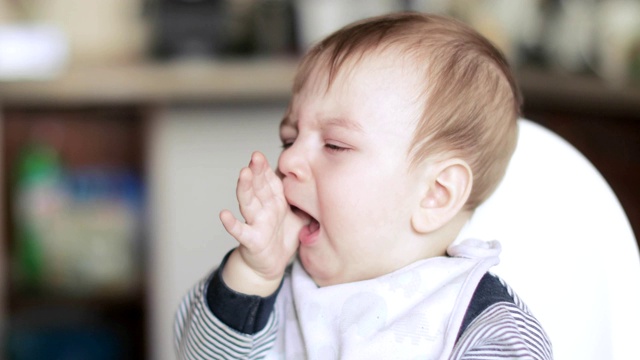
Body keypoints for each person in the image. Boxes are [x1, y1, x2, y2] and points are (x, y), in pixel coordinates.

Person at [175, 12, 552, 359]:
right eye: (289, 139)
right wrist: (254, 275)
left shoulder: (485, 329)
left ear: (435, 194)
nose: (287, 161)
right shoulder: (277, 295)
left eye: (334, 145)